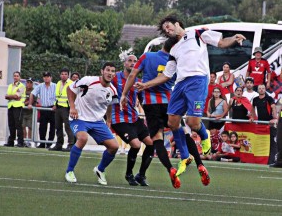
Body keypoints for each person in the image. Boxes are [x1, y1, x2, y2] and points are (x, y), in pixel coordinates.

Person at [130, 15, 246, 178]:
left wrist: (234, 39)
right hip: (180, 84)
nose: (167, 30)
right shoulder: (174, 49)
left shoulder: (197, 34)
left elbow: (220, 42)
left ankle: (205, 137)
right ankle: (185, 157)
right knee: (173, 121)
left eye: (169, 26)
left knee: (193, 123)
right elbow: (166, 75)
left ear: (177, 24)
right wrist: (145, 85)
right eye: (165, 30)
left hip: (197, 81)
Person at [121, 38, 210, 188]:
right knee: (182, 131)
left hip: (151, 103)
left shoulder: (148, 56)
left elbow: (132, 74)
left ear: (163, 45)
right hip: (170, 102)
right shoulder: (176, 61)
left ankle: (170, 169)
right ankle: (199, 163)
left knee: (157, 139)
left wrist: (124, 94)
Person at [65, 62, 119, 185]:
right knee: (82, 138)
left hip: (98, 121)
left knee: (114, 147)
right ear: (102, 71)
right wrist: (72, 107)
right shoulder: (88, 80)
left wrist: (109, 120)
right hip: (79, 117)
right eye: (108, 70)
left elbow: (110, 105)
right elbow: (70, 89)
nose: (110, 73)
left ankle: (100, 170)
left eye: (112, 71)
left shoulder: (113, 90)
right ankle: (69, 171)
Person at [110, 54, 154, 186]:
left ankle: (141, 175)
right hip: (119, 119)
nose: (133, 63)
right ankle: (129, 174)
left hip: (134, 118)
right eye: (130, 61)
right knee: (136, 145)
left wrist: (149, 114)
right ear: (124, 63)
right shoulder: (115, 77)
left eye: (135, 61)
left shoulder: (137, 81)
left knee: (151, 143)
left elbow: (142, 100)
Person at [251, 84, 277, 164]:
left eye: (263, 88)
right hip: (260, 125)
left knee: (271, 144)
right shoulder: (255, 99)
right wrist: (253, 117)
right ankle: (260, 160)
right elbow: (252, 108)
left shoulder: (269, 98)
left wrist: (275, 118)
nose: (261, 90)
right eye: (260, 88)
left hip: (269, 125)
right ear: (257, 90)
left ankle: (271, 160)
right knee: (261, 143)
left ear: (265, 89)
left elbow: (273, 107)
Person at [28, 72, 56, 148]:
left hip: (52, 108)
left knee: (53, 127)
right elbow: (32, 94)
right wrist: (30, 103)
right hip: (43, 108)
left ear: (51, 77)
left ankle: (49, 143)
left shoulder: (55, 86)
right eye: (45, 77)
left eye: (48, 76)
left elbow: (59, 96)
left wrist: (56, 105)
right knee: (42, 127)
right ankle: (42, 142)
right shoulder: (40, 86)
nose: (46, 78)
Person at [50, 68, 74, 152]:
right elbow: (56, 95)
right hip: (58, 107)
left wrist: (72, 107)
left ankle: (71, 144)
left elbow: (73, 96)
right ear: (60, 75)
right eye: (62, 74)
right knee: (58, 126)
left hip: (67, 108)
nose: (63, 75)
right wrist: (55, 104)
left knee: (68, 126)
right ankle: (59, 144)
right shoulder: (58, 83)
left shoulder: (71, 83)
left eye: (65, 74)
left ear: (68, 75)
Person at [4, 71, 26, 147]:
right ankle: (11, 141)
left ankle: (20, 142)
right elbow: (6, 96)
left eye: (17, 76)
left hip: (18, 106)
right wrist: (12, 96)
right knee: (11, 125)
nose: (15, 77)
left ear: (19, 77)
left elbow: (17, 96)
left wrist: (11, 96)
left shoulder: (21, 86)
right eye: (14, 76)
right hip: (11, 106)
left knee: (18, 125)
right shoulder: (10, 85)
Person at [22, 78, 34, 147]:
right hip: (23, 111)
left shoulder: (33, 91)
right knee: (22, 126)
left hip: (30, 112)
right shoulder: (23, 89)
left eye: (30, 83)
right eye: (28, 82)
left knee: (30, 127)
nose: (29, 84)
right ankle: (24, 140)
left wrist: (24, 103)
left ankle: (28, 141)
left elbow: (32, 100)